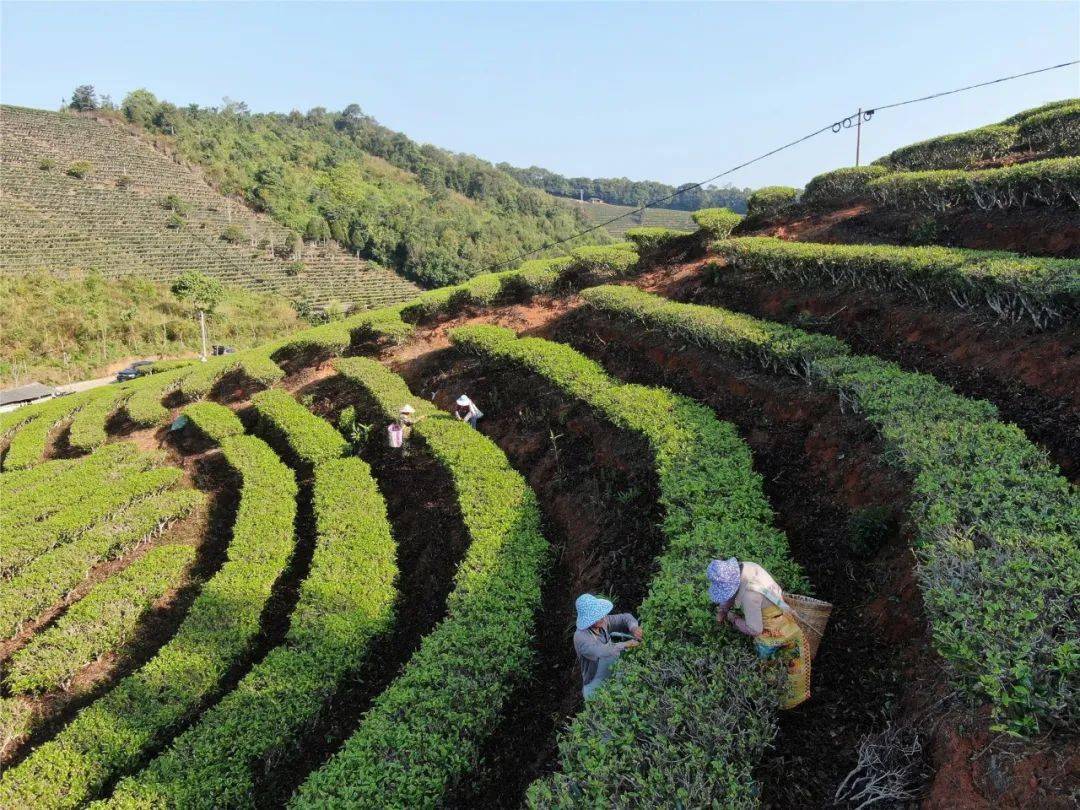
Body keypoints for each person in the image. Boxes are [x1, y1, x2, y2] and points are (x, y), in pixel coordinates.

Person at [707, 557, 811, 709]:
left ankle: (781, 703)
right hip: (784, 616)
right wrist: (723, 609)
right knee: (792, 662)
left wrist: (734, 619)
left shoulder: (750, 596)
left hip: (776, 631)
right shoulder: (747, 567)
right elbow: (732, 592)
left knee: (775, 668)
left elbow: (755, 630)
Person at [573, 593, 642, 700]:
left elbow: (625, 618)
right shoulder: (581, 637)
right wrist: (626, 644)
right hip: (594, 684)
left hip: (613, 675)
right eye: (596, 616)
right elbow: (600, 652)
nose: (602, 617)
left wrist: (634, 628)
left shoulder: (602, 622)